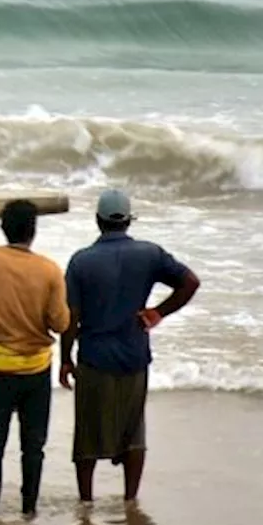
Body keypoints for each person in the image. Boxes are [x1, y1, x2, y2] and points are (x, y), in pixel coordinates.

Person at [60, 189, 200, 503]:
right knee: (133, 431)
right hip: (134, 354)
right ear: (128, 221)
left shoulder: (81, 261)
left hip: (94, 357)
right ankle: (129, 499)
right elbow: (190, 282)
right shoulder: (150, 254)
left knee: (88, 433)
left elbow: (72, 315)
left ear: (98, 221)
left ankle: (86, 500)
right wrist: (158, 313)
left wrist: (65, 358)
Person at [0, 200, 70, 517]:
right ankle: (28, 510)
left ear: (4, 228)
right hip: (35, 369)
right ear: (34, 231)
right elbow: (60, 323)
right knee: (33, 448)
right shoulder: (49, 270)